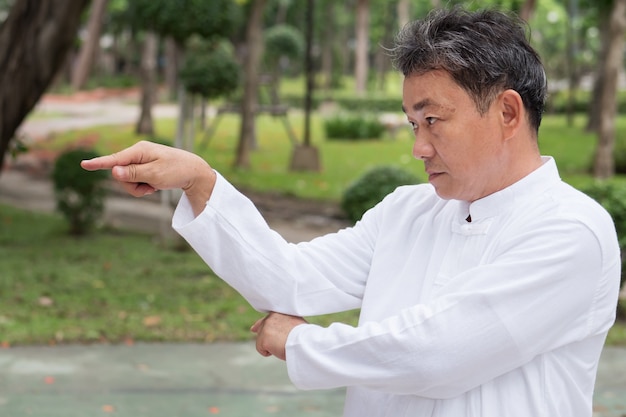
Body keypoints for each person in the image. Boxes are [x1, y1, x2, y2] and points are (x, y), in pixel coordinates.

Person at [81, 7, 621, 417]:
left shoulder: (570, 231)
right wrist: (200, 182)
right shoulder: (409, 211)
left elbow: (438, 354)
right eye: (414, 124)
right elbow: (291, 279)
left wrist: (298, 341)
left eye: (433, 119)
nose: (419, 147)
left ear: (506, 111)